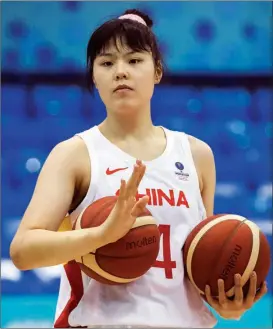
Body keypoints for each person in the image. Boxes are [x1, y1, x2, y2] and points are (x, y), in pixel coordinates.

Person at [10, 8, 267, 329]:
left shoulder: (197, 155)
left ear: (157, 70)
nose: (121, 71)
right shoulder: (74, 154)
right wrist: (102, 236)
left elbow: (194, 263)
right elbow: (22, 251)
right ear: (93, 76)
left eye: (134, 60)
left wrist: (225, 304)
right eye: (107, 63)